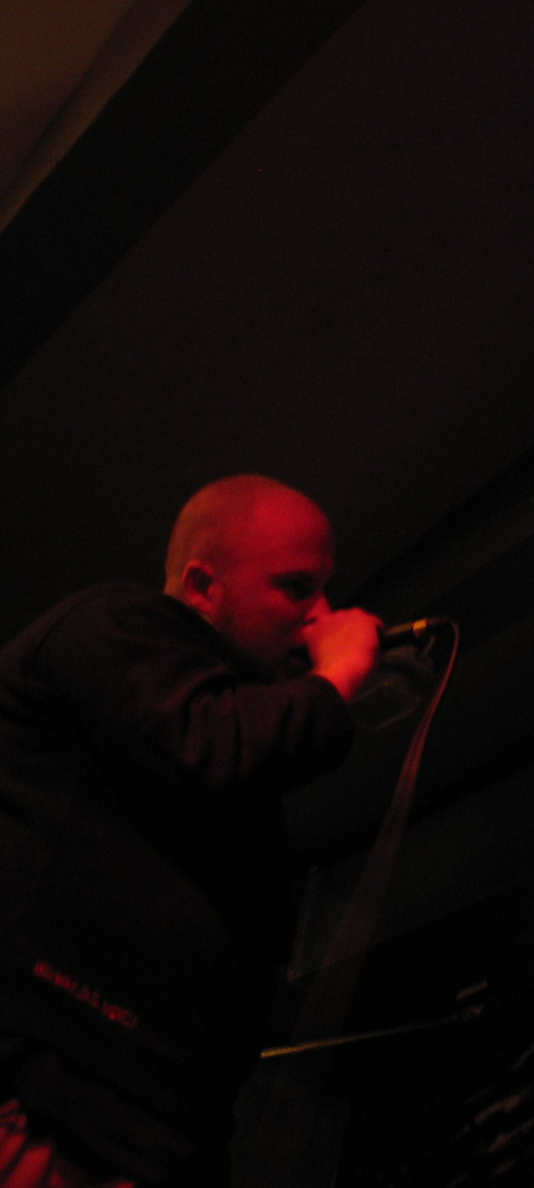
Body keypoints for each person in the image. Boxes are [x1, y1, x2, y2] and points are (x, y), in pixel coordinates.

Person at [0, 475, 382, 1186]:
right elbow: (211, 748)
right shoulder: (115, 622)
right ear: (204, 585)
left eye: (325, 590)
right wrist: (340, 674)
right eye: (296, 588)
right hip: (56, 1091)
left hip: (152, 1128)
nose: (323, 614)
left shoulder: (231, 747)